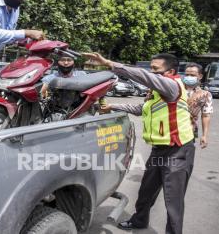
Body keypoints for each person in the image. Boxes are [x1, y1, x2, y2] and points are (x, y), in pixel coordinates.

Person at [83, 52, 195, 234]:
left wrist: (110, 63)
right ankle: (139, 221)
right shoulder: (158, 93)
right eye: (151, 68)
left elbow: (143, 76)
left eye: (156, 69)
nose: (152, 72)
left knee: (173, 200)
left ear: (170, 71)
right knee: (146, 191)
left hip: (178, 151)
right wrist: (113, 106)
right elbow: (142, 108)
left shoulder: (172, 86)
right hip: (159, 150)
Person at [183, 63, 213, 148]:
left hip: (190, 132)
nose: (189, 77)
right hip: (171, 130)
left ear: (200, 76)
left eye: (192, 75)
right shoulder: (175, 89)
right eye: (187, 74)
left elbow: (206, 115)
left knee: (186, 158)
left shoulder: (205, 94)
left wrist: (204, 135)